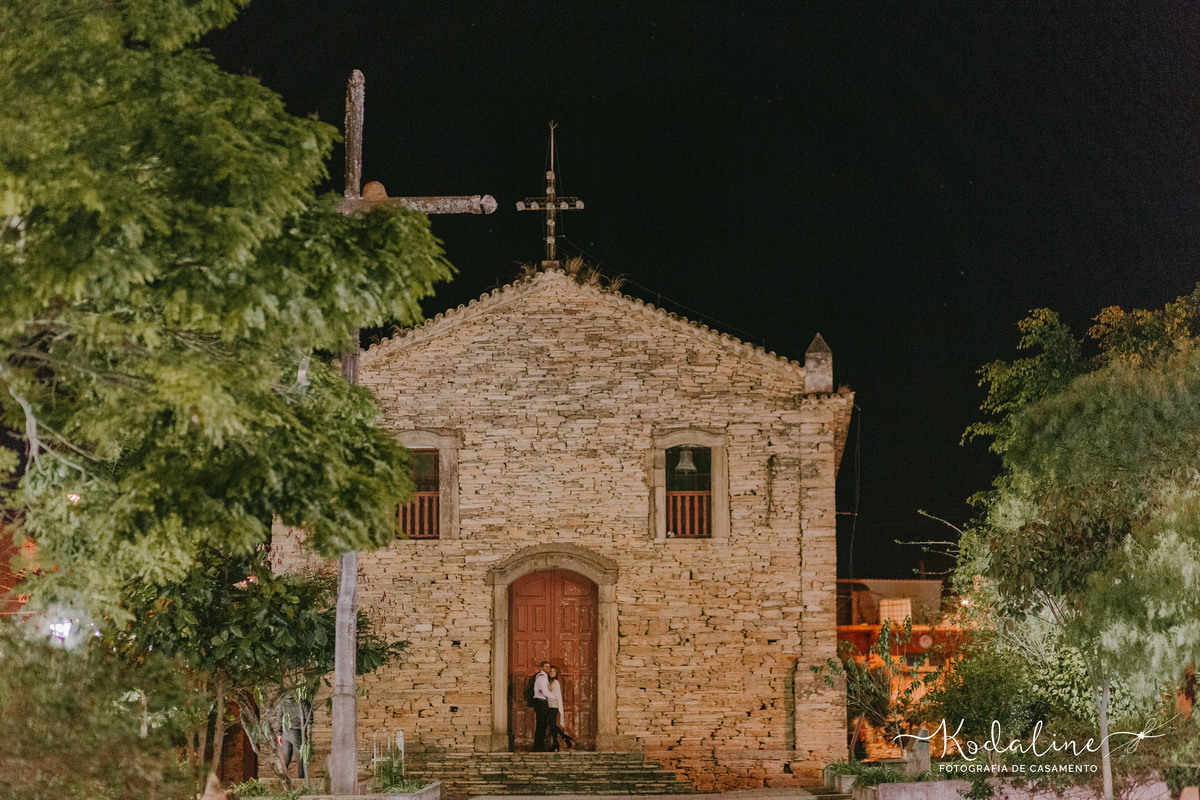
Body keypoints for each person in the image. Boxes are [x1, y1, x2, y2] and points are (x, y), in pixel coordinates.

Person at [546, 665, 574, 751]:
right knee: (552, 725)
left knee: (552, 724)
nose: (552, 673)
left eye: (554, 672)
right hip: (549, 705)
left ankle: (564, 737)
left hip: (553, 705)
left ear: (556, 673)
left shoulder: (555, 682)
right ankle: (555, 744)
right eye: (550, 671)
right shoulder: (549, 681)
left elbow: (554, 695)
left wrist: (545, 692)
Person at [531, 660, 552, 751]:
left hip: (540, 701)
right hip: (541, 702)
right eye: (546, 666)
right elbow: (545, 692)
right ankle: (538, 747)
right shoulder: (542, 678)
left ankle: (539, 746)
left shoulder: (543, 677)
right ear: (541, 668)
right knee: (541, 724)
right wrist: (556, 697)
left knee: (542, 724)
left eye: (549, 666)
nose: (548, 668)